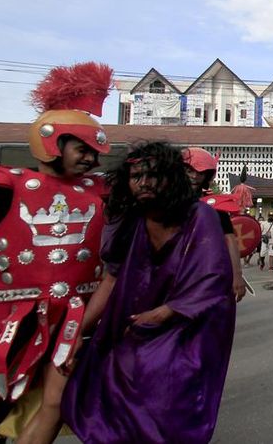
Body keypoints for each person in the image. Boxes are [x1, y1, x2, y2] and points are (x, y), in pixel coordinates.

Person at [60, 141, 235, 443]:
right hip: (135, 325)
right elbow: (111, 280)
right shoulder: (130, 222)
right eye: (136, 176)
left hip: (187, 327)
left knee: (165, 399)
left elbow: (213, 278)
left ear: (171, 178)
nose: (144, 183)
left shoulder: (200, 216)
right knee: (108, 384)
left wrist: (166, 312)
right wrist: (76, 333)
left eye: (153, 175)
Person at [0, 62, 112, 443]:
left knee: (56, 403)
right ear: (51, 143)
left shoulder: (103, 191)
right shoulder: (3, 185)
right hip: (11, 317)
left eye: (95, 152)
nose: (91, 159)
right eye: (82, 149)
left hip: (77, 317)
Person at [182, 147, 246, 302]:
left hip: (204, 272)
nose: (194, 176)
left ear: (207, 175)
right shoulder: (164, 202)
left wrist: (237, 275)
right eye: (190, 171)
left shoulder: (214, 205)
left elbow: (230, 239)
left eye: (200, 173)